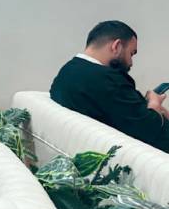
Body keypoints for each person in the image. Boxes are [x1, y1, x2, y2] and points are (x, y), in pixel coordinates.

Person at [50, 20, 169, 151]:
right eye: (131, 53)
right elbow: (150, 128)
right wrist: (154, 103)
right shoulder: (109, 80)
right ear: (116, 46)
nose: (131, 62)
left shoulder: (67, 71)